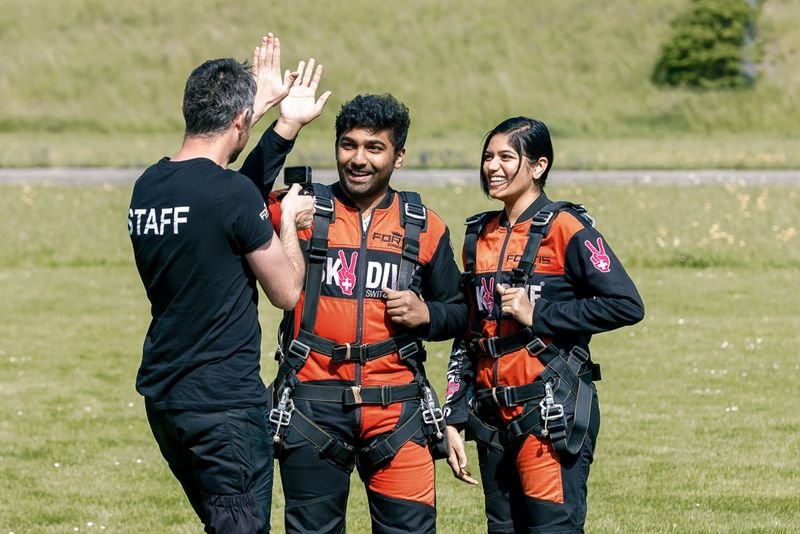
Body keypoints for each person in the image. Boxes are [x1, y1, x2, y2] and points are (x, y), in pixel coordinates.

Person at [128, 34, 329, 532]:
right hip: (224, 407)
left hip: (167, 400)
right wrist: (288, 225)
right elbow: (287, 293)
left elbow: (223, 194)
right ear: (241, 120)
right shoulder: (230, 195)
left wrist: (279, 120)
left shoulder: (149, 185)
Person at [262, 93, 467, 533]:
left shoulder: (425, 226)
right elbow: (238, 196)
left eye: (374, 147)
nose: (358, 159)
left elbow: (459, 312)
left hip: (399, 412)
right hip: (312, 407)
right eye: (348, 145)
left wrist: (426, 315)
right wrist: (286, 128)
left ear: (399, 156)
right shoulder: (299, 210)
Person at [444, 116, 645, 533]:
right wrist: (455, 413)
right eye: (488, 157)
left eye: (506, 157)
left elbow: (626, 304)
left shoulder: (566, 227)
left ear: (538, 166)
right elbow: (470, 333)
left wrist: (540, 315)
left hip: (549, 413)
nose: (492, 167)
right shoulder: (477, 235)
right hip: (491, 417)